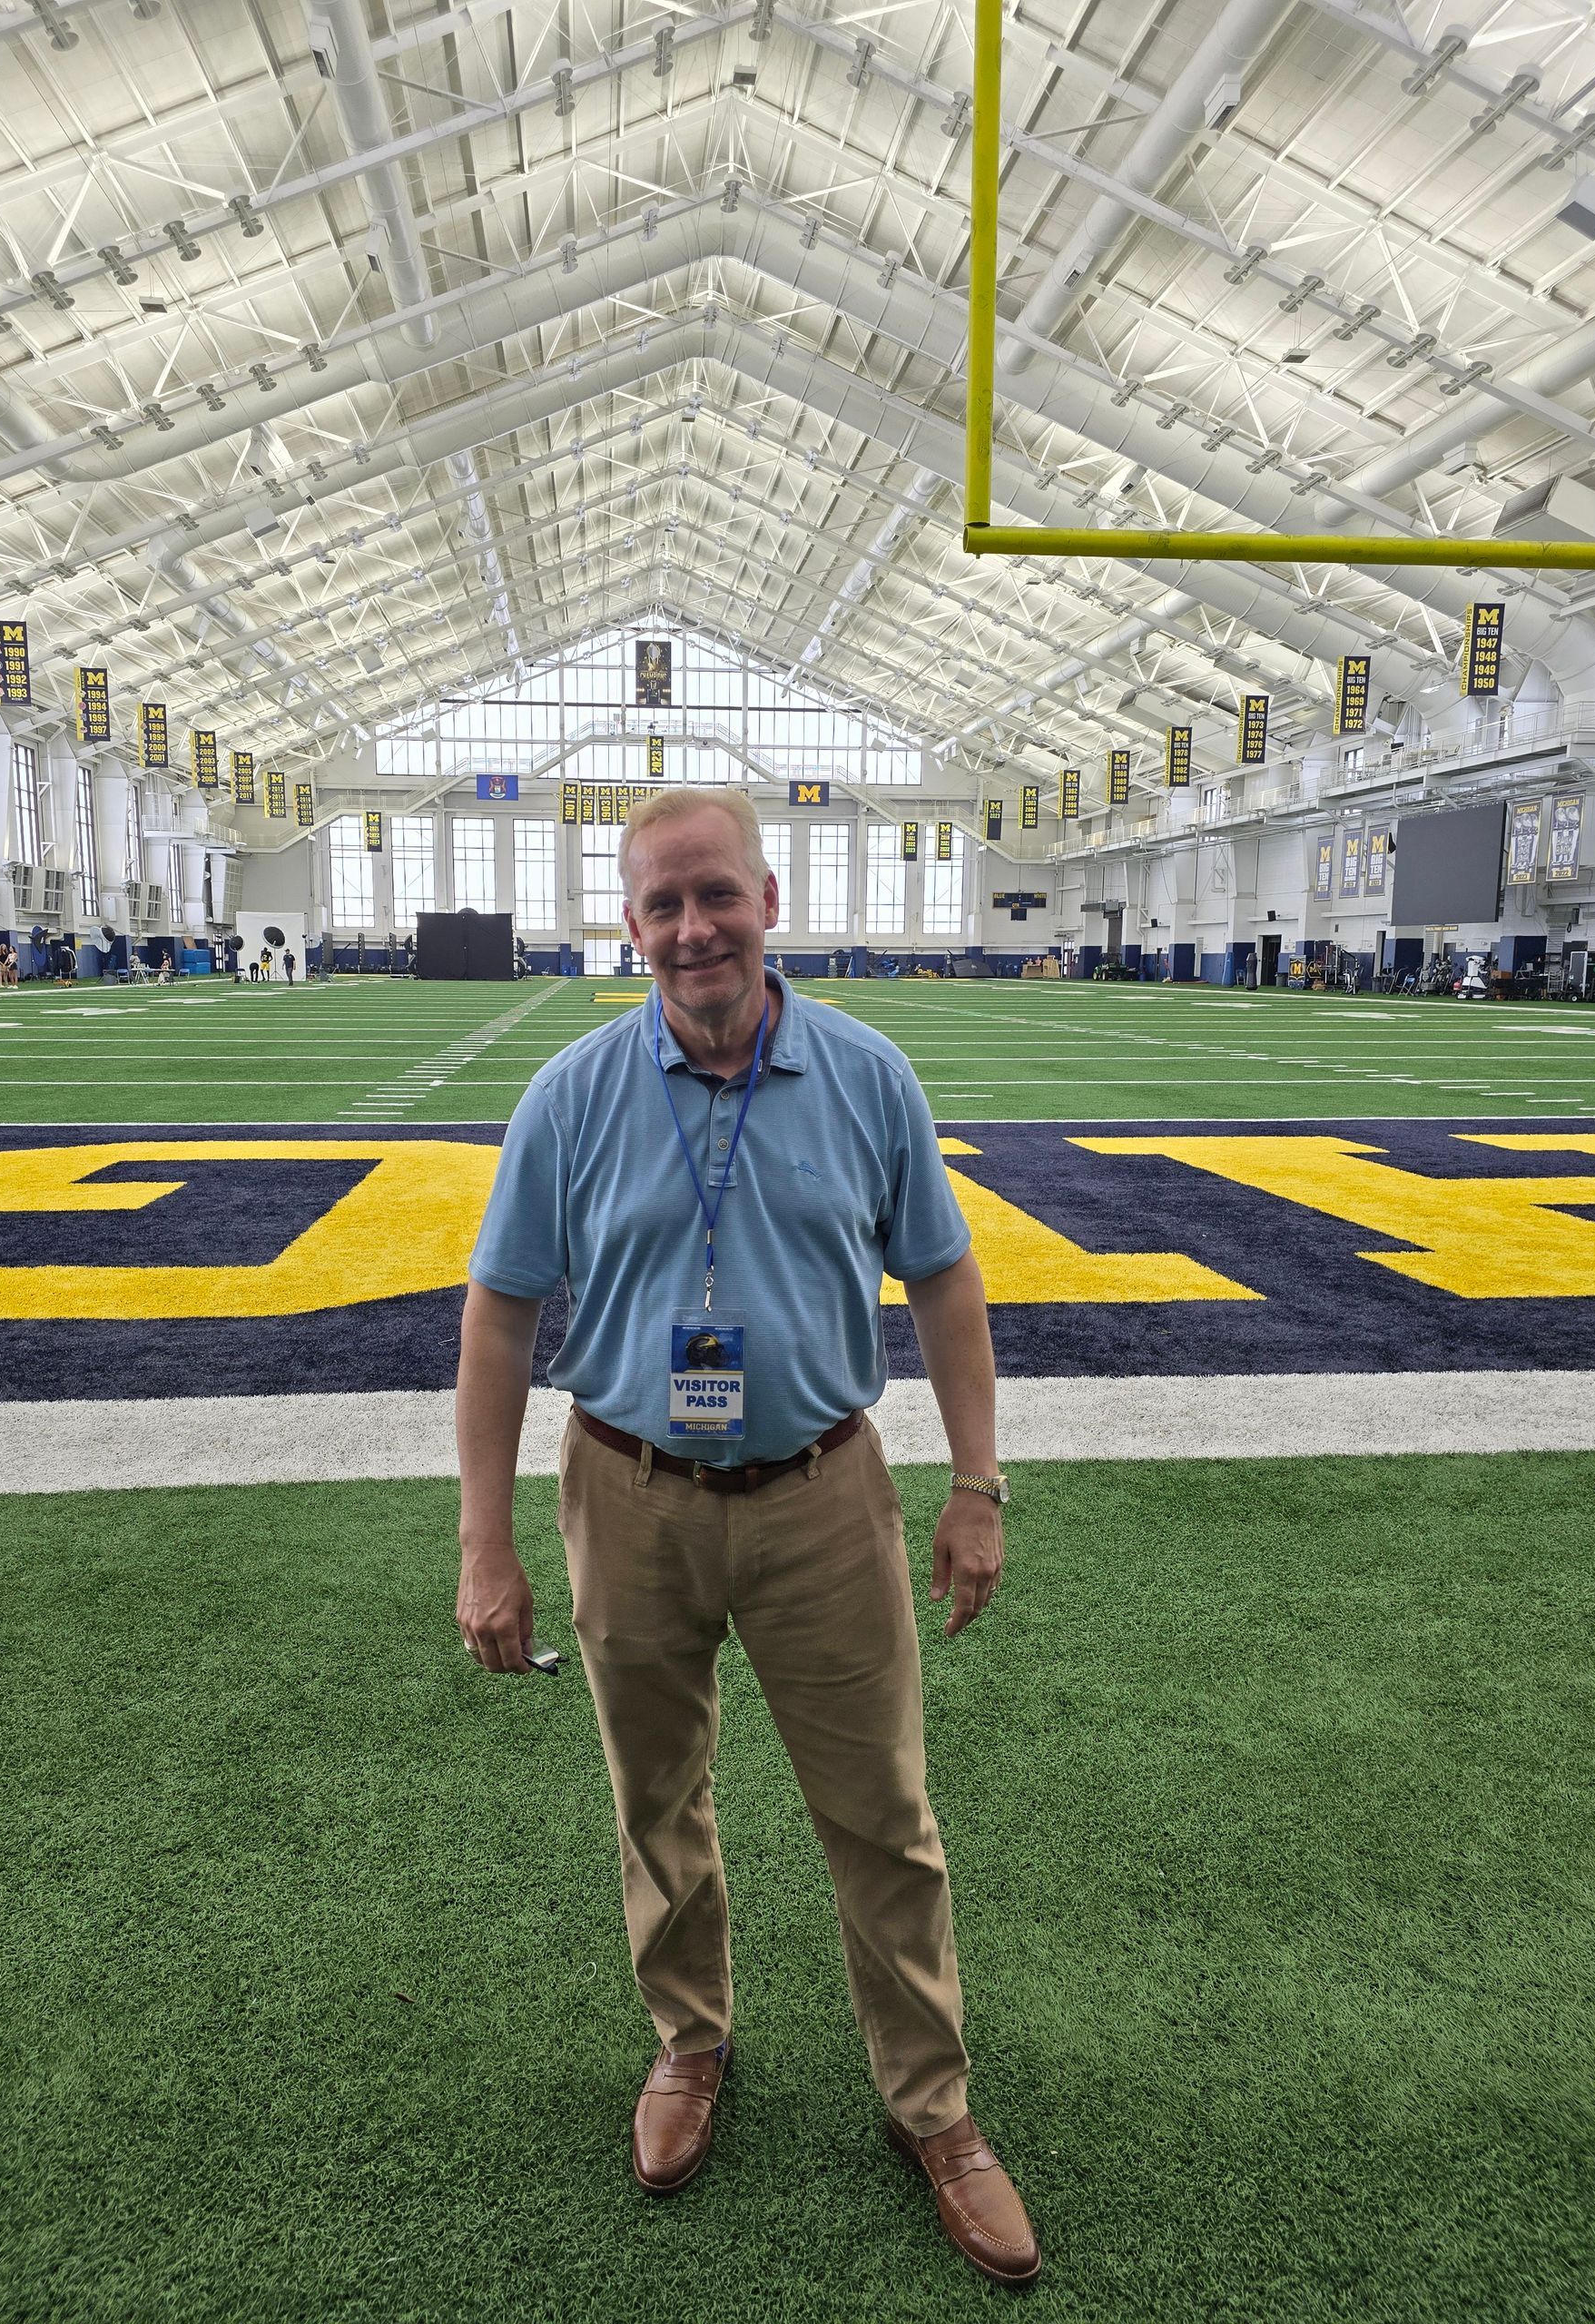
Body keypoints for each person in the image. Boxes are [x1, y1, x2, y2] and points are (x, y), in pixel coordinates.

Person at [456, 788, 1038, 2290]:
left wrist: (978, 1487)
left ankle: (935, 2110)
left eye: (715, 895)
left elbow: (948, 1284)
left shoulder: (866, 1074)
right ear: (628, 925)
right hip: (628, 1494)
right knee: (658, 1802)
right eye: (662, 905)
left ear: (768, 900)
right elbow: (501, 1319)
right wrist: (485, 1538)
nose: (692, 928)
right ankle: (689, 2047)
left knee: (883, 1820)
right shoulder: (575, 1094)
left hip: (822, 1495)